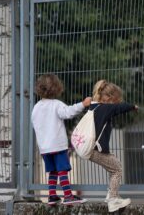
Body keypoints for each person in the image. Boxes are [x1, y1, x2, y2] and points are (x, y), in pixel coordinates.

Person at [31, 74, 91, 205]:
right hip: (57, 145)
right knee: (62, 169)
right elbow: (68, 112)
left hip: (44, 147)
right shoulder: (56, 104)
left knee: (52, 171)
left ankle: (52, 196)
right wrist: (83, 104)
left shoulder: (36, 107)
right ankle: (68, 196)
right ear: (57, 88)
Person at [88, 80, 137, 212]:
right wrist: (133, 106)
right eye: (117, 100)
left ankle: (111, 194)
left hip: (91, 148)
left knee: (113, 165)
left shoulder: (94, 107)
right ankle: (113, 199)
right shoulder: (105, 107)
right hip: (95, 149)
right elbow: (120, 108)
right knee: (117, 169)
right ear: (110, 98)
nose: (118, 103)